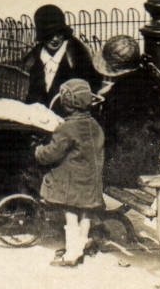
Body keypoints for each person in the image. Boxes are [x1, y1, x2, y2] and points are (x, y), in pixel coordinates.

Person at [35, 79, 107, 268]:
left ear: (66, 103)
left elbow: (52, 153)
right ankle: (81, 244)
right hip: (91, 180)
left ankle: (72, 253)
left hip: (73, 181)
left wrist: (38, 150)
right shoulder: (95, 125)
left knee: (70, 211)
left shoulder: (67, 128)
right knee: (86, 211)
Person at [92, 35, 160, 187]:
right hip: (146, 158)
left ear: (114, 68)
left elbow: (108, 128)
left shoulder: (120, 94)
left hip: (124, 166)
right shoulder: (148, 77)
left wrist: (96, 107)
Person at [20, 5, 100, 104]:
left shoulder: (79, 57)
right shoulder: (35, 59)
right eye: (49, 34)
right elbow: (32, 96)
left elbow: (91, 92)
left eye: (59, 33)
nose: (55, 39)